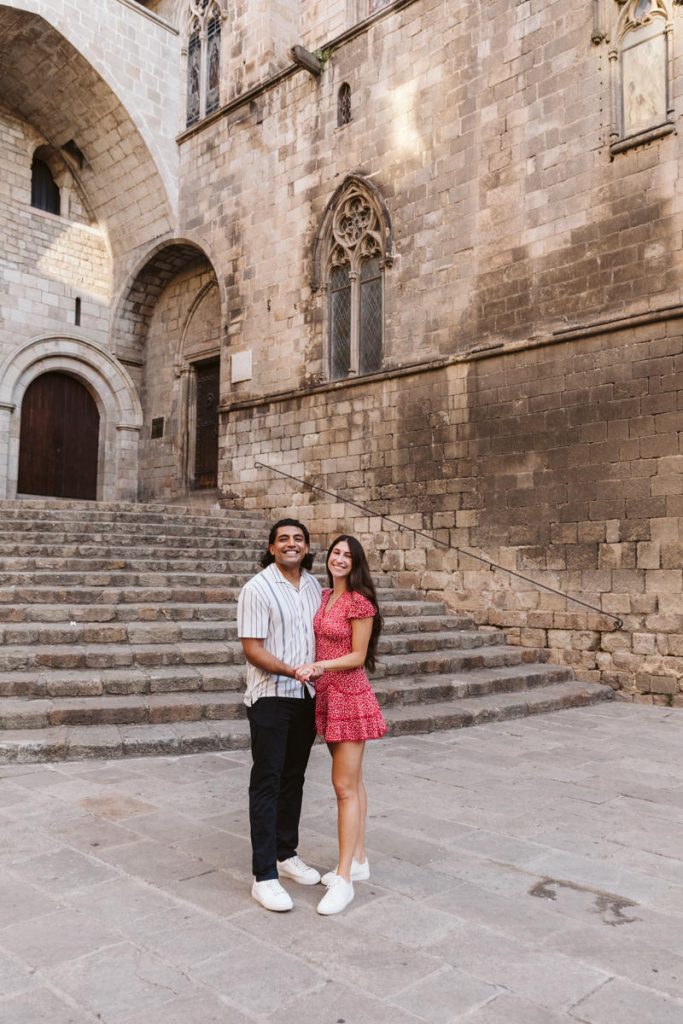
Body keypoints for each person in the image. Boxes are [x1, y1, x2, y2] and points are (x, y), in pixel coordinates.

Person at [295, 534, 386, 915]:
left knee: (343, 787)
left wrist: (319, 666)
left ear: (357, 562)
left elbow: (358, 656)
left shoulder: (358, 602)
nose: (340, 559)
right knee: (354, 781)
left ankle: (344, 877)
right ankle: (360, 859)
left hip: (348, 695)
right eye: (336, 553)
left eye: (348, 555)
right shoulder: (322, 595)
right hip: (326, 695)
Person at [237, 518, 323, 912]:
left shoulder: (313, 586)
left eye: (298, 539)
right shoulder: (257, 588)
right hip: (272, 697)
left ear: (306, 547)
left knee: (294, 778)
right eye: (283, 539)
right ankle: (264, 876)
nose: (292, 544)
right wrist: (291, 670)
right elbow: (252, 649)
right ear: (271, 548)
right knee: (268, 781)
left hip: (305, 696)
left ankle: (286, 854)